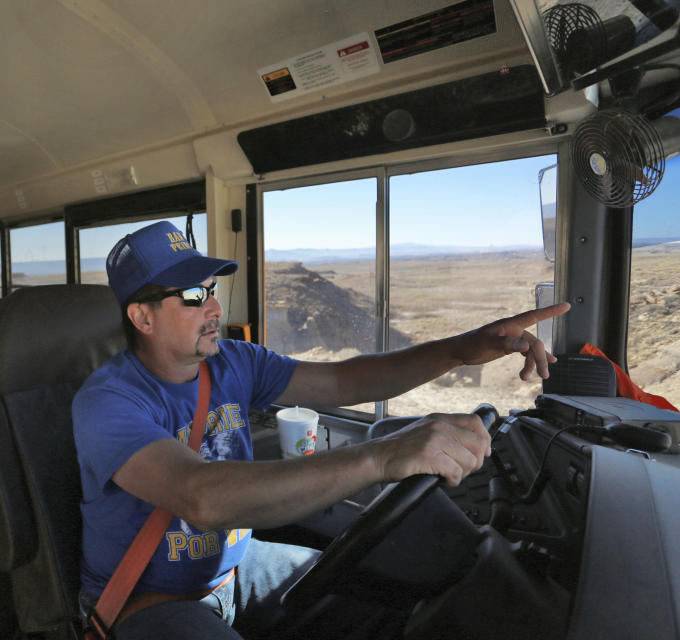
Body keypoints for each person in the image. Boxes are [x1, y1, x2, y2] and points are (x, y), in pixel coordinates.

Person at [72, 221, 569, 639]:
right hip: (148, 599)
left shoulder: (234, 363)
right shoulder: (107, 401)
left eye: (213, 291)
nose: (216, 309)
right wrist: (381, 457)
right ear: (142, 316)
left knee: (387, 604)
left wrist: (463, 348)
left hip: (236, 569)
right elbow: (201, 497)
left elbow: (343, 379)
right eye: (193, 296)